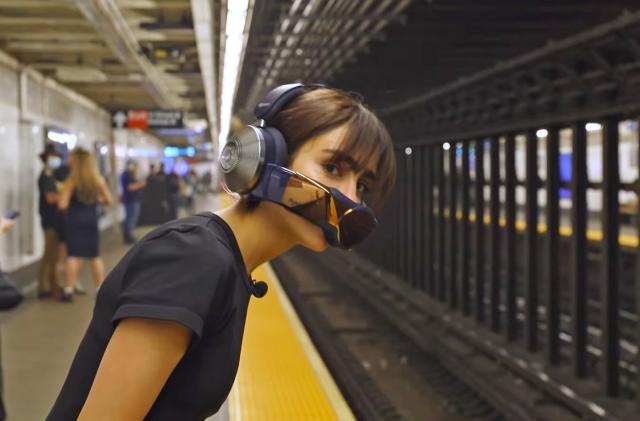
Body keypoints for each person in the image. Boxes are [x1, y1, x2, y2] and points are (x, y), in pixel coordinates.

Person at [46, 84, 396, 420]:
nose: (350, 197)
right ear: (264, 158)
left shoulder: (229, 264)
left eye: (363, 185)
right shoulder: (192, 259)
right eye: (332, 168)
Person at [57, 148, 113, 302]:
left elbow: (62, 204)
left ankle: (68, 290)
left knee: (73, 255)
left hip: (74, 219)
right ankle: (100, 289)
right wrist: (95, 200)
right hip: (91, 219)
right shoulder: (97, 180)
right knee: (94, 255)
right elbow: (108, 200)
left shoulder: (71, 181)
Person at [37, 146, 64, 298]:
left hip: (54, 220)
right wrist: (65, 196)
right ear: (47, 158)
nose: (56, 159)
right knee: (49, 255)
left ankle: (54, 286)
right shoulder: (45, 176)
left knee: (53, 256)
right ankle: (43, 288)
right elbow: (50, 198)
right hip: (49, 220)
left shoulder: (51, 175)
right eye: (53, 156)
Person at [120, 160, 146, 244]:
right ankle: (128, 237)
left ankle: (129, 235)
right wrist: (141, 184)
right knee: (130, 219)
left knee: (131, 219)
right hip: (130, 201)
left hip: (133, 200)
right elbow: (130, 187)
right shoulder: (126, 175)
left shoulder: (129, 175)